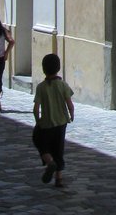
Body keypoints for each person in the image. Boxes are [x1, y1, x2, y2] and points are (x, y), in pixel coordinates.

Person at [32, 52, 75, 187]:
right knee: (59, 149)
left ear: (44, 69)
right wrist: (71, 114)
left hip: (46, 124)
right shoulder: (63, 85)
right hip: (61, 123)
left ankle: (49, 161)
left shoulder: (41, 87)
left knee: (39, 141)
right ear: (58, 68)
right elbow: (69, 103)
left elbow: (36, 108)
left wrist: (38, 120)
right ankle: (59, 178)